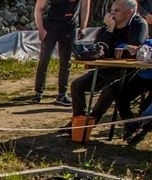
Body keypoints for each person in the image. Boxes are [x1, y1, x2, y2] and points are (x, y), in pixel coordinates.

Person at [66, 0, 148, 130]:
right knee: (77, 85)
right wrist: (110, 29)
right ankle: (79, 119)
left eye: (117, 10)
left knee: (109, 91)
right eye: (111, 10)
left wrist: (123, 49)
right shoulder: (109, 24)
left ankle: (90, 124)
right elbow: (99, 47)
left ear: (129, 12)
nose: (112, 13)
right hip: (105, 68)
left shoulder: (139, 24)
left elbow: (134, 50)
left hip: (128, 72)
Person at [32, 0, 90, 106]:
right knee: (44, 59)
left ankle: (62, 94)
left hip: (70, 27)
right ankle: (38, 92)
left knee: (66, 61)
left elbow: (85, 6)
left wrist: (83, 27)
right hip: (51, 26)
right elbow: (38, 8)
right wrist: (41, 29)